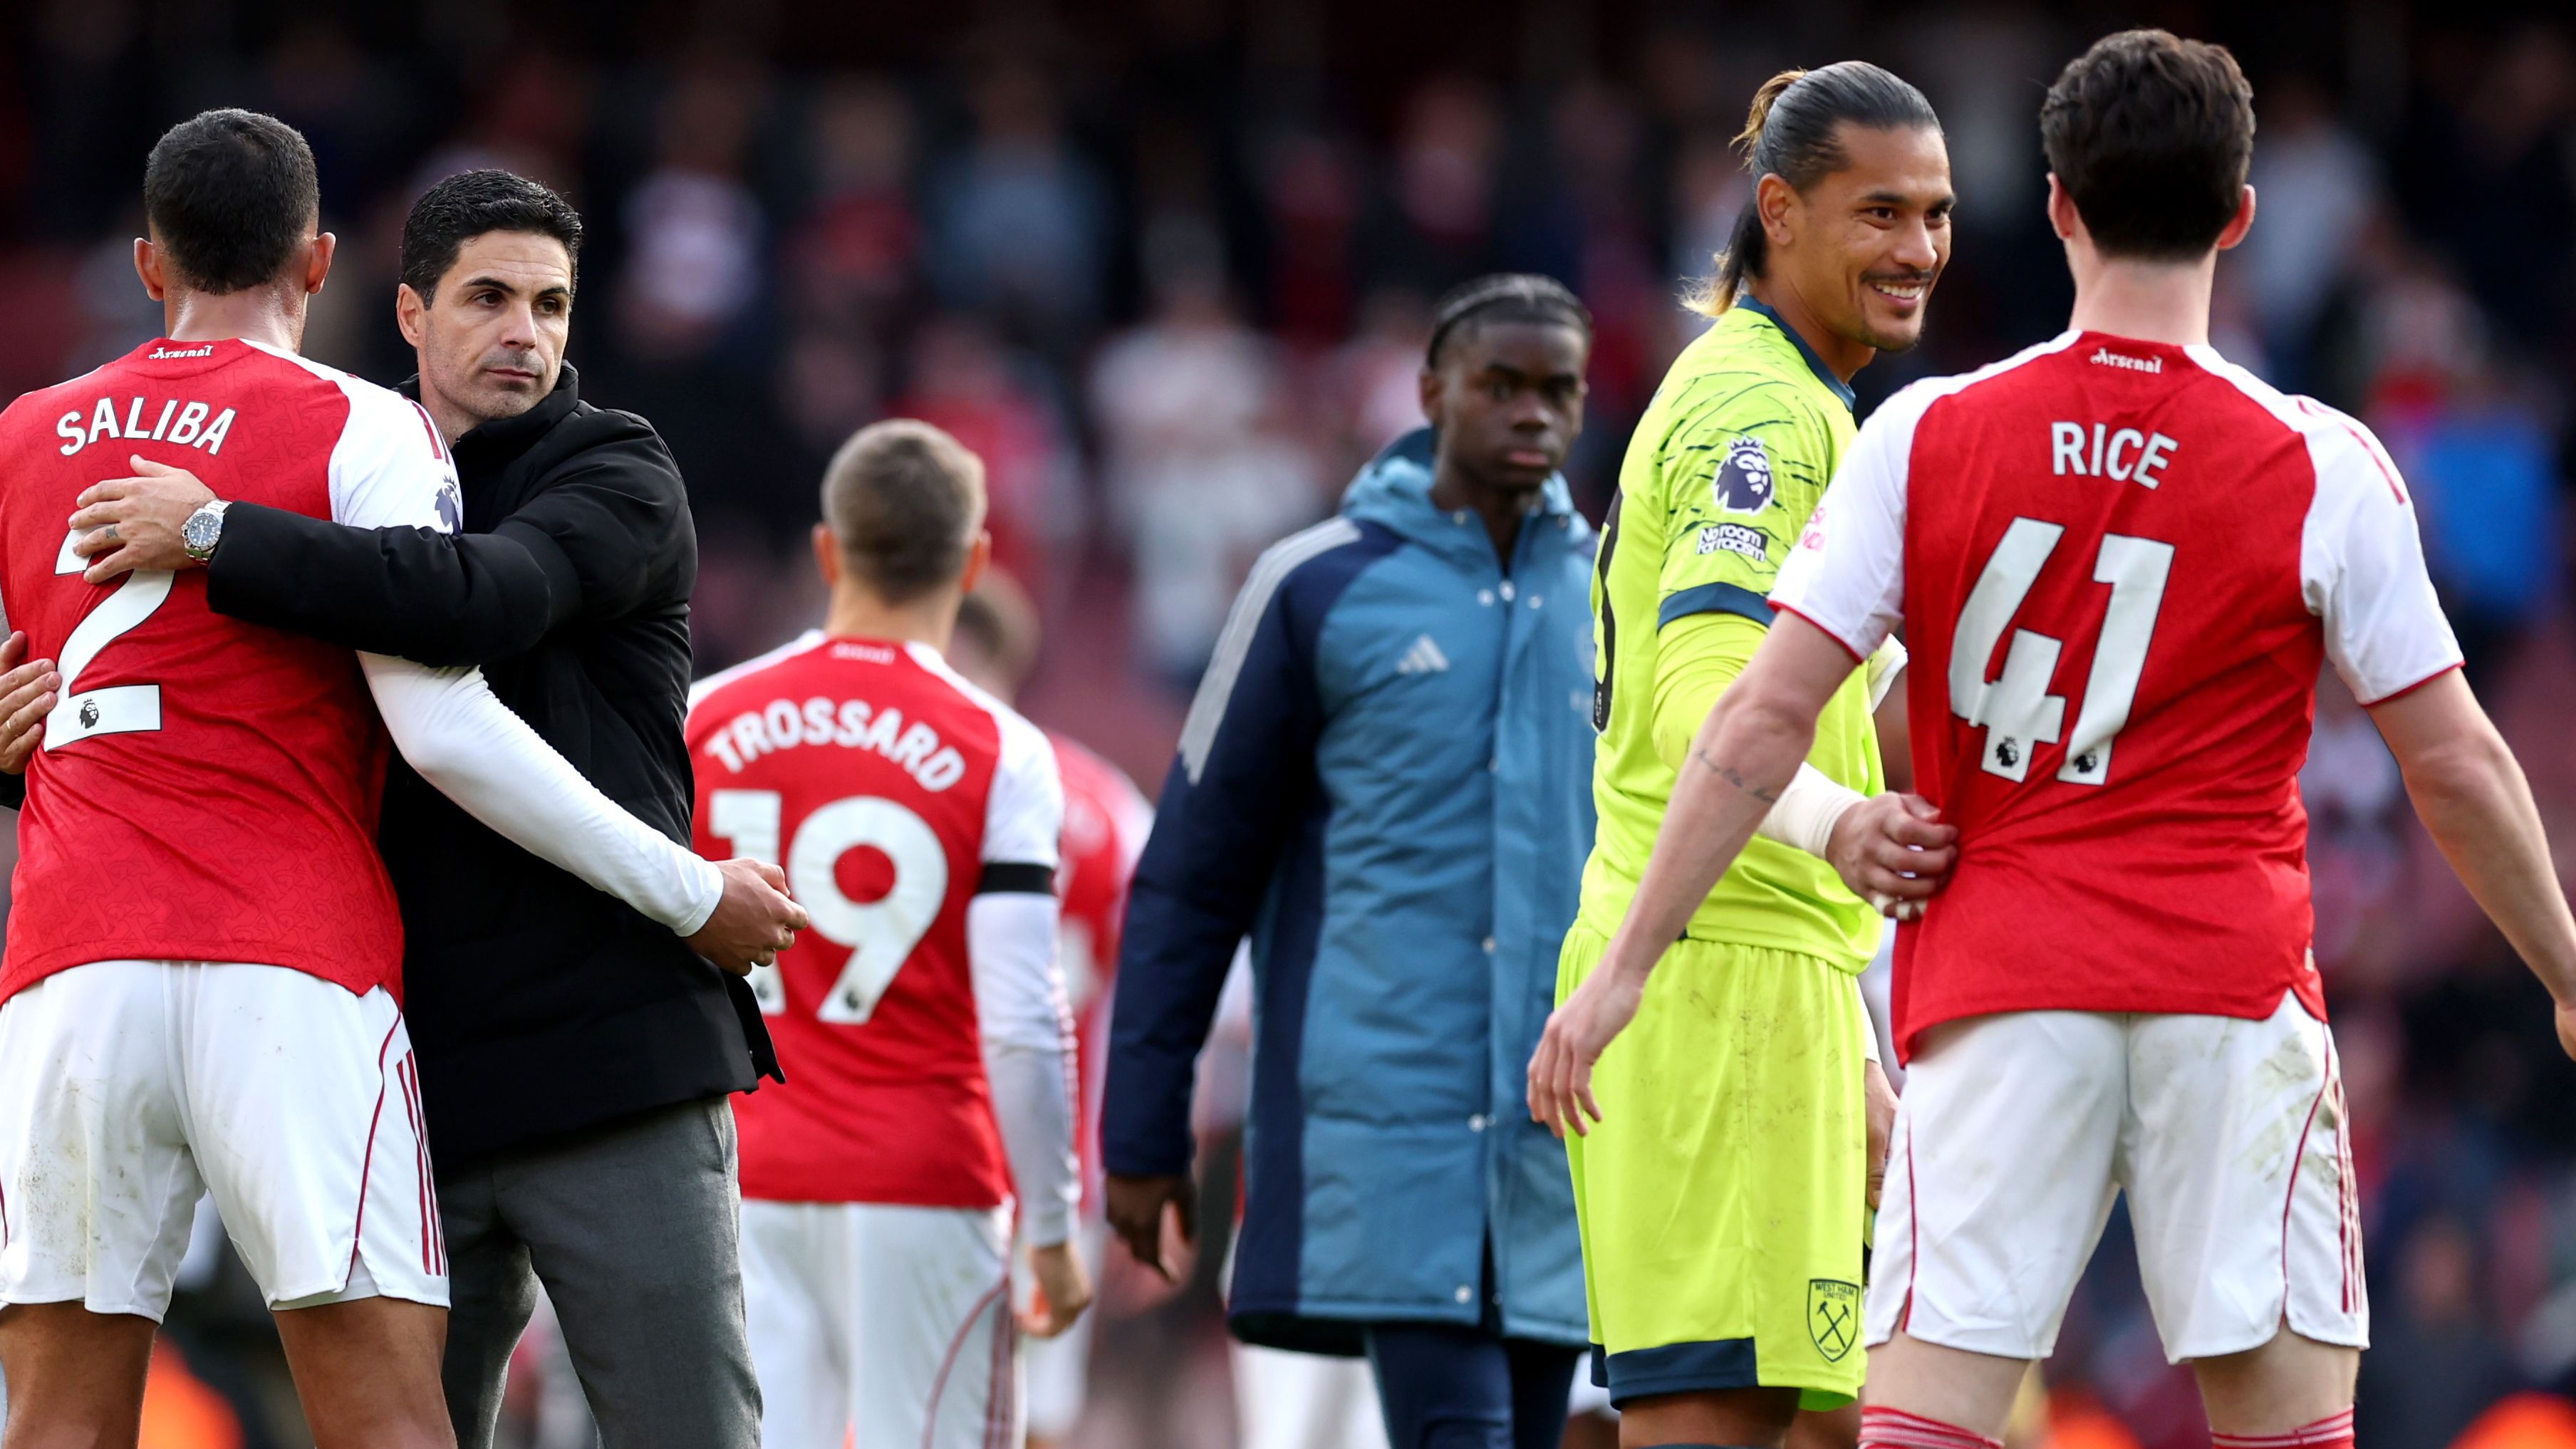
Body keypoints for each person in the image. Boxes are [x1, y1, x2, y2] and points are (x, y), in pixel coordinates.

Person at [1528, 28, 2576, 1449]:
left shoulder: (1922, 437)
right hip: (2223, 988)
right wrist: (2563, 974)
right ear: (2238, 216)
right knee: (2282, 1424)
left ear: (2058, 207)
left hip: (1998, 993)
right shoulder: (2317, 463)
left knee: (1920, 1422)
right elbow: (2449, 762)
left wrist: (1626, 963)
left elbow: (1760, 710)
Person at [0, 110, 794, 1449]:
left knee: (60, 1420)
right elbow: (438, 722)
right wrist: (690, 889)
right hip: (329, 988)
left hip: (86, 963)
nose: (526, 334)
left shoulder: (26, 431)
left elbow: (476, 594)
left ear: (148, 265)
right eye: (491, 298)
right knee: (388, 1422)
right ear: (341, 275)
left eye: (550, 305)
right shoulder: (356, 433)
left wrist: (209, 534)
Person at [1101, 274, 1606, 1449]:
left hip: (1565, 1133)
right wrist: (1143, 1126)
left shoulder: (1616, 599)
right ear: (1430, 393)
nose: (1531, 412)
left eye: (1558, 390)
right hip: (1378, 1125)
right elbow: (1191, 872)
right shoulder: (1312, 584)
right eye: (1501, 385)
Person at [1527, 63, 1953, 1449]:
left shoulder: (1811, 411)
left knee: (1840, 1426)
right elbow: (1704, 699)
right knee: (1715, 1429)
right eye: (1877, 212)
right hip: (1708, 982)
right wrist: (1835, 826)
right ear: (1778, 211)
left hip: (1791, 985)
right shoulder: (1757, 419)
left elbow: (1864, 711)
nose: (1917, 250)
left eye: (1936, 215)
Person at [685, 419, 1094, 1449]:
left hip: (745, 1177)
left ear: (827, 551)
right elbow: (1022, 1017)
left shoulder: (704, 715)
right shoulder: (1000, 746)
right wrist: (1052, 1224)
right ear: (976, 562)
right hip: (929, 1185)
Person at [945, 571, 1155, 1449]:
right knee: (1031, 1416)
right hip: (1055, 1168)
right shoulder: (1106, 804)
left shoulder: (893, 779)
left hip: (928, 1152)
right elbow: (1178, 1007)